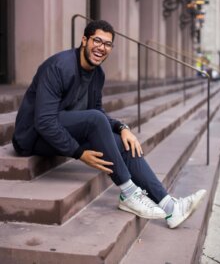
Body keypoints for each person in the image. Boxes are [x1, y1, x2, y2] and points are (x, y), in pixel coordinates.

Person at [12, 20, 206, 228]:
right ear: (84, 40)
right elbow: (44, 121)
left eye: (107, 44)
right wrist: (78, 152)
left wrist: (122, 128)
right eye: (97, 40)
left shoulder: (98, 74)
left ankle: (170, 208)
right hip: (33, 136)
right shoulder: (59, 67)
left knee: (123, 143)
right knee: (95, 119)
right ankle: (129, 193)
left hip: (63, 127)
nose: (101, 48)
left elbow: (98, 112)